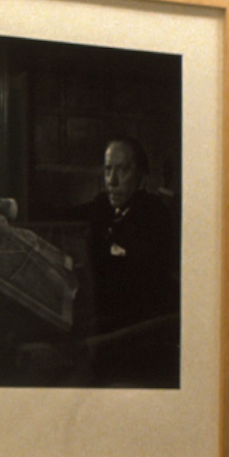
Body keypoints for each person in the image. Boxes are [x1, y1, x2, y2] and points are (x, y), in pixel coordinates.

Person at [79, 137, 179, 384]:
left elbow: (139, 294)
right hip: (101, 322)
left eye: (122, 170)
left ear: (141, 175)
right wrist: (5, 206)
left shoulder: (154, 215)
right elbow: (66, 213)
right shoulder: (102, 205)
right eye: (108, 169)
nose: (112, 181)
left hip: (134, 337)